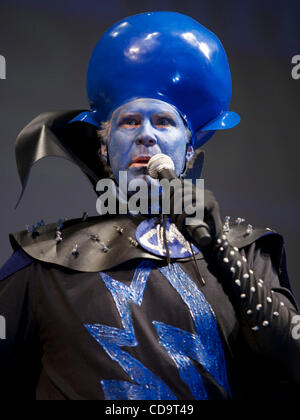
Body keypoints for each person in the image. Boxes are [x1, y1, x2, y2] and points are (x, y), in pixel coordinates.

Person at [0, 11, 299, 401]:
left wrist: (218, 250)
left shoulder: (246, 251)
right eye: (128, 122)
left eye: (163, 121)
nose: (146, 135)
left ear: (189, 151)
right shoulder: (42, 261)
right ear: (105, 150)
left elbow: (291, 360)